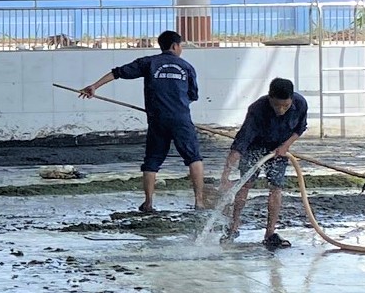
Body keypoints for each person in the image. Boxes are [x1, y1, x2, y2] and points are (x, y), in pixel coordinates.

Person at [79, 29, 206, 212]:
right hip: (181, 119)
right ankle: (199, 202)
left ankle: (148, 203)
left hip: (157, 119)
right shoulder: (187, 67)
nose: (181, 49)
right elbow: (193, 95)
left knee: (152, 161)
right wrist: (176, 104)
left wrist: (94, 86)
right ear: (175, 46)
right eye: (180, 46)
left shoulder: (149, 62)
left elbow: (117, 73)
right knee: (194, 158)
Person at [221, 77, 309, 249]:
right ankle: (233, 226)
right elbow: (240, 144)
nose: (281, 110)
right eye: (277, 105)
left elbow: (300, 128)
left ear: (291, 99)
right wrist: (225, 175)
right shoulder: (257, 109)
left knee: (276, 187)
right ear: (270, 98)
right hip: (255, 146)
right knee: (245, 184)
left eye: (285, 106)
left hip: (279, 148)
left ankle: (270, 233)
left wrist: (285, 146)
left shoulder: (300, 104)